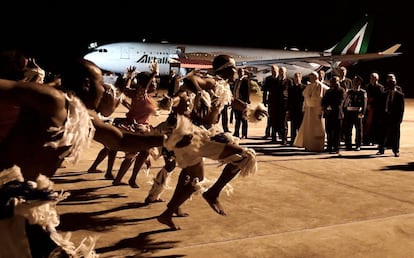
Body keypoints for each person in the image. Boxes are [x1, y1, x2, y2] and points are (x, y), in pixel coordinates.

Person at [0, 55, 167, 257]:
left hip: (27, 200)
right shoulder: (53, 99)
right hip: (8, 197)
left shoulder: (80, 114)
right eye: (101, 84)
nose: (105, 90)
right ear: (87, 84)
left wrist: (166, 139)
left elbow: (121, 140)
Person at [157, 55, 258, 230]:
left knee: (193, 176)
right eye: (234, 68)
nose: (237, 71)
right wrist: (200, 93)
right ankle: (212, 193)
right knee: (244, 156)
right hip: (198, 135)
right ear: (226, 69)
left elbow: (232, 102)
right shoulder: (212, 82)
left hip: (199, 134)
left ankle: (169, 212)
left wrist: (251, 110)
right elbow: (190, 79)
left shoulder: (223, 86)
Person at [293, 71, 329, 152]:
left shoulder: (320, 85)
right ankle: (308, 144)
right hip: (308, 110)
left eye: (312, 77)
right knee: (308, 129)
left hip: (317, 110)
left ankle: (317, 146)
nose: (310, 78)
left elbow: (324, 94)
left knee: (317, 129)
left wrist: (322, 109)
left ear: (315, 77)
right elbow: (305, 97)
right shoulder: (309, 85)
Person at [376, 73, 405, 157]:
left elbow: (401, 109)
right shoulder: (384, 94)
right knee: (382, 134)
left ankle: (396, 150)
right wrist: (380, 117)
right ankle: (381, 149)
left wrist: (400, 119)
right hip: (385, 116)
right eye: (389, 84)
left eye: (392, 84)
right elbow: (380, 106)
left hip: (394, 118)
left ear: (395, 84)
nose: (390, 86)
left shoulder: (400, 95)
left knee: (395, 135)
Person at [321, 75, 345, 154]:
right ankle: (329, 146)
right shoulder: (328, 91)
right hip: (329, 114)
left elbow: (340, 102)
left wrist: (330, 106)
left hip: (337, 114)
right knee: (329, 130)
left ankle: (336, 147)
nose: (333, 83)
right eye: (332, 82)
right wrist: (325, 108)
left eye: (335, 81)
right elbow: (324, 101)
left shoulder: (341, 90)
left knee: (337, 132)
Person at [342, 75, 367, 151]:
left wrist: (362, 113)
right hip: (349, 113)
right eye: (354, 82)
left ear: (360, 83)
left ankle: (358, 145)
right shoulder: (349, 92)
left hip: (357, 113)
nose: (355, 84)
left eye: (357, 82)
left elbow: (364, 104)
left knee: (358, 130)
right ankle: (348, 145)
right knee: (348, 130)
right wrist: (344, 111)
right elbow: (345, 103)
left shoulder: (362, 92)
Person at [362, 72, 384, 146]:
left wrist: (372, 105)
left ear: (377, 79)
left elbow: (381, 99)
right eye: (371, 78)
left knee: (375, 125)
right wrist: (367, 105)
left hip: (376, 109)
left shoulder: (380, 87)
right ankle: (366, 140)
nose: (371, 79)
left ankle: (374, 140)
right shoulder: (367, 86)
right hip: (368, 109)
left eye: (373, 78)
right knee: (366, 125)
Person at [287, 72, 305, 145]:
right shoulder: (291, 88)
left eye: (298, 77)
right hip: (293, 109)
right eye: (295, 77)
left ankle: (301, 140)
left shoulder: (304, 87)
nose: (296, 79)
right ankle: (293, 140)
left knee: (300, 125)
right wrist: (288, 109)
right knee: (293, 125)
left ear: (300, 78)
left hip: (301, 109)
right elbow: (289, 99)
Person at [232, 67, 251, 138]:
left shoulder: (245, 80)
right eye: (239, 72)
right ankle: (236, 132)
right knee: (237, 118)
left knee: (243, 118)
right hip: (236, 101)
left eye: (241, 72)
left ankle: (244, 133)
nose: (240, 73)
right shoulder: (236, 80)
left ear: (243, 72)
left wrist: (245, 102)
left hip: (242, 102)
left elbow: (247, 92)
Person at [261, 64, 278, 139]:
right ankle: (268, 133)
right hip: (271, 101)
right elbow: (265, 90)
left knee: (277, 118)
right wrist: (264, 100)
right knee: (269, 117)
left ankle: (276, 133)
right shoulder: (268, 79)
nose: (273, 72)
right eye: (272, 70)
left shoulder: (280, 79)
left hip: (279, 101)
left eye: (274, 70)